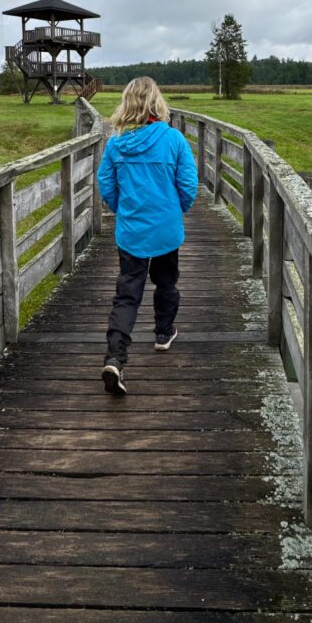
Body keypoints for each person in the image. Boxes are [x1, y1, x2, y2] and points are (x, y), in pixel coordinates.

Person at [96, 77, 198, 395]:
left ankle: (115, 358)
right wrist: (174, 209)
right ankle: (163, 334)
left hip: (131, 232)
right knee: (166, 283)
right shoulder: (174, 139)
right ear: (157, 102)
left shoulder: (116, 143)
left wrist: (123, 209)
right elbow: (189, 186)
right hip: (166, 230)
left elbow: (106, 184)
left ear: (127, 103)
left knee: (127, 294)